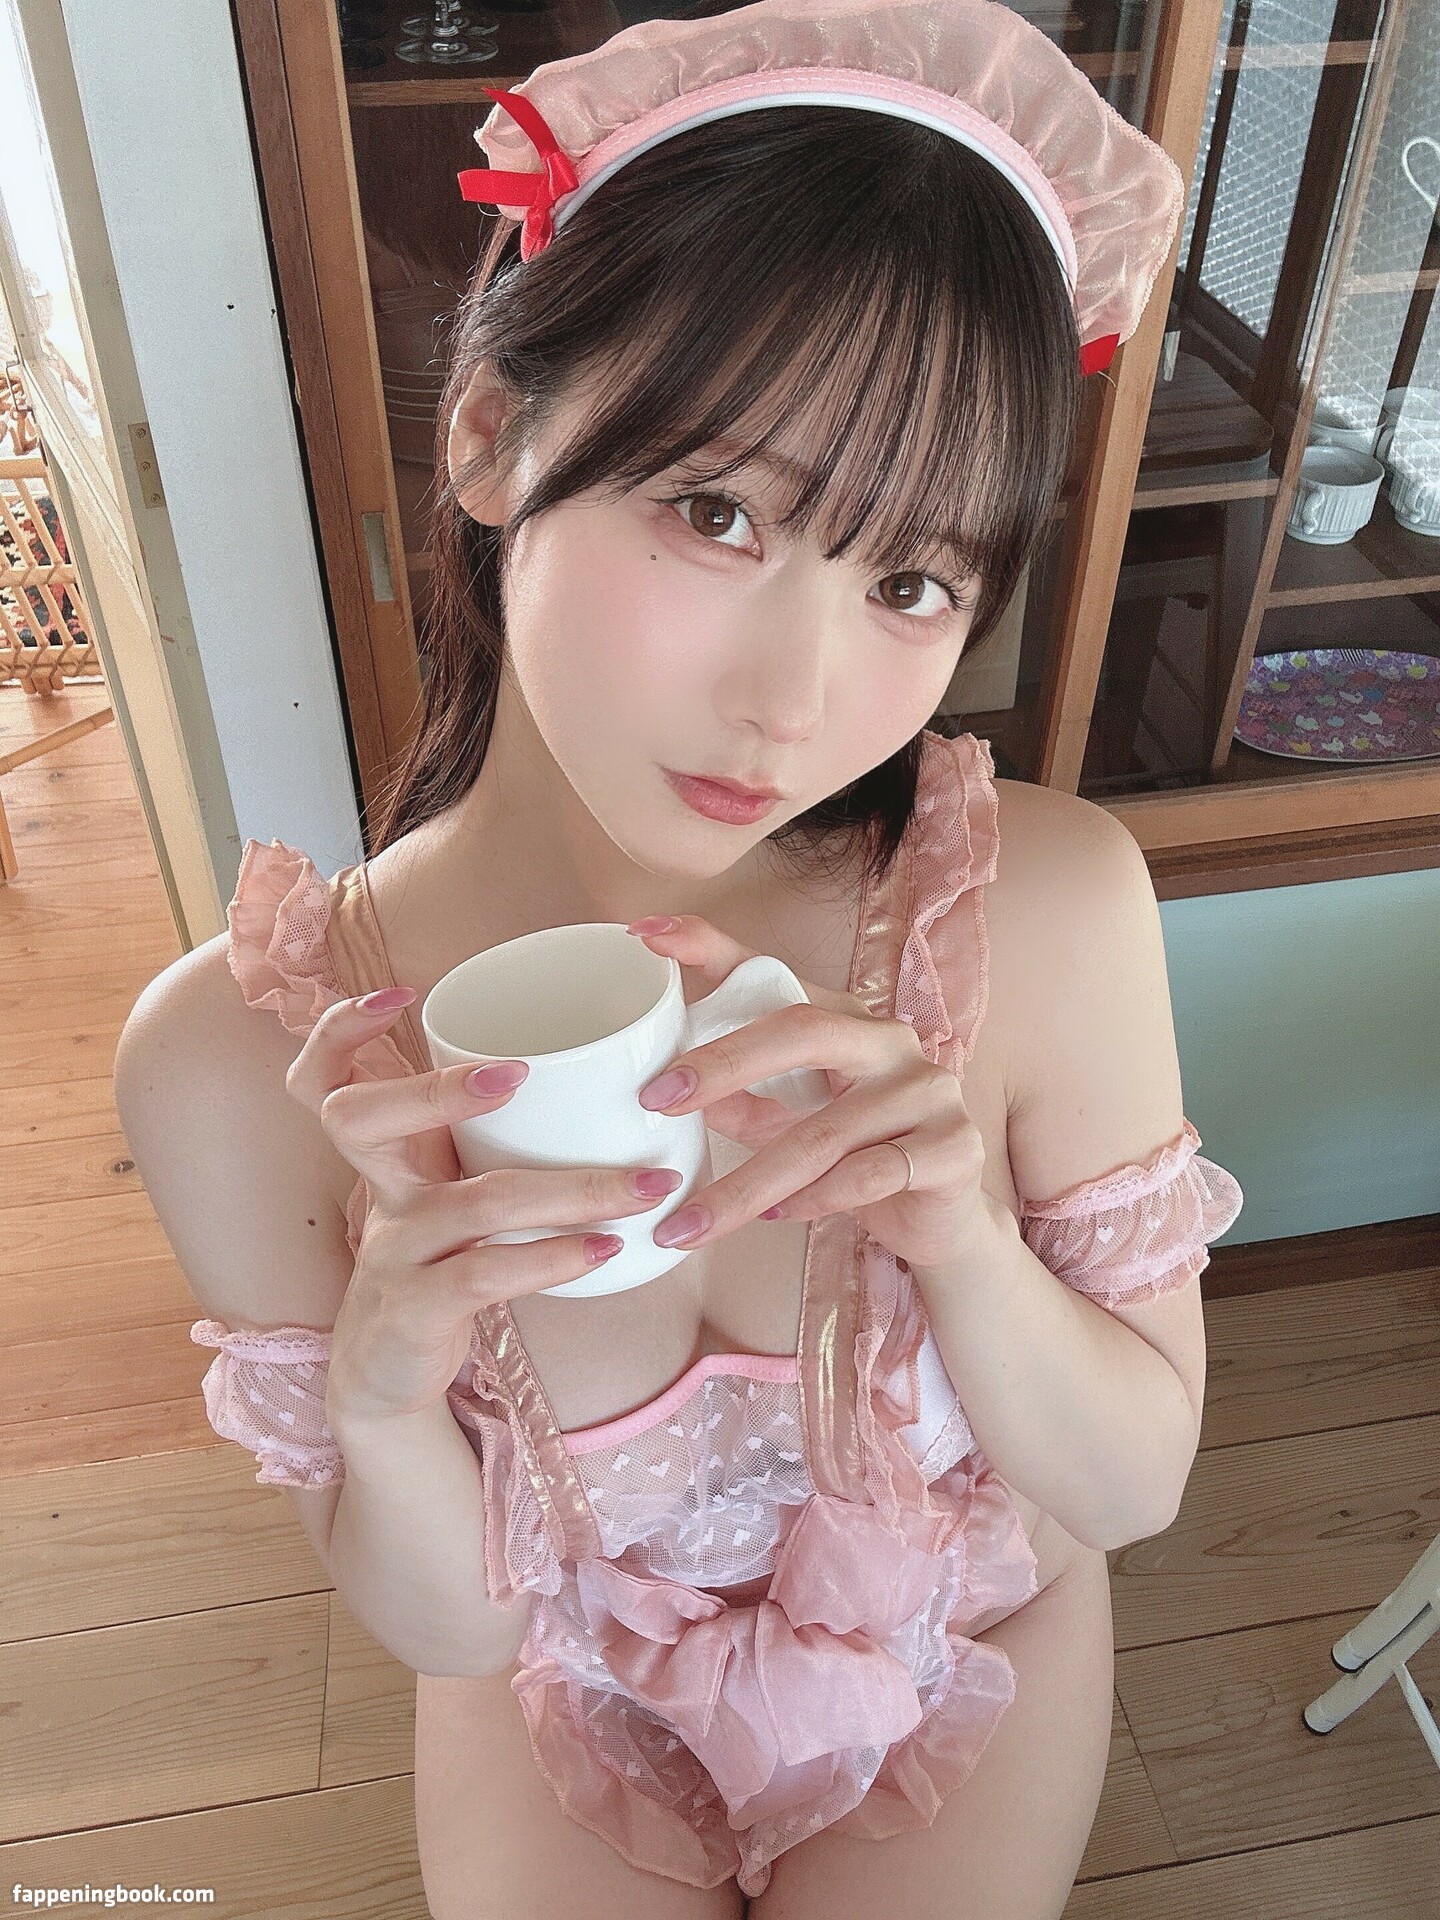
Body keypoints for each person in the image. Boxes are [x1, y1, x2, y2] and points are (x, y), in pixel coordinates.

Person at [115, 3, 1244, 1914]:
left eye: (910, 581)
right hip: (568, 1682)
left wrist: (963, 1241)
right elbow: (456, 1632)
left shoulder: (1039, 915)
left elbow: (1132, 1488)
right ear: (492, 432)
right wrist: (386, 1398)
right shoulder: (239, 1059)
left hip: (967, 1640)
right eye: (719, 512)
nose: (797, 702)